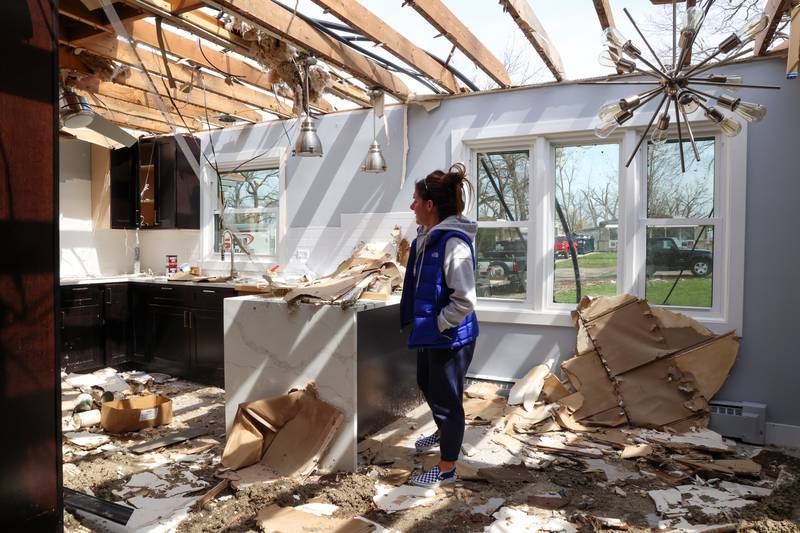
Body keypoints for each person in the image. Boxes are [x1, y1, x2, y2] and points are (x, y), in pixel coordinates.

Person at [400, 163, 479, 488]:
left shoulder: (453, 244)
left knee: (447, 400)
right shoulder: (426, 239)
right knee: (425, 383)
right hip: (432, 333)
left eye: (415, 199)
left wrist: (439, 324)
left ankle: (447, 469)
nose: (412, 205)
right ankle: (444, 431)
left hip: (450, 336)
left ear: (430, 205)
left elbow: (465, 300)